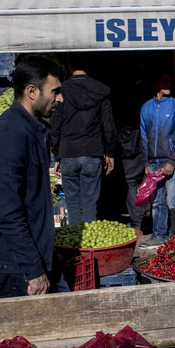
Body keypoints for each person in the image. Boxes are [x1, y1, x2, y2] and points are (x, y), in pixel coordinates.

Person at [0, 55, 64, 298]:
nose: (60, 99)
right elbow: (6, 212)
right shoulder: (11, 135)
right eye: (55, 91)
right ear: (32, 91)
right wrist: (33, 269)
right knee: (22, 335)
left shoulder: (30, 128)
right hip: (13, 264)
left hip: (22, 257)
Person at [50, 54, 117, 225]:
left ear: (70, 67)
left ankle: (76, 246)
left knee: (72, 204)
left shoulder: (61, 91)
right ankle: (88, 246)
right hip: (92, 152)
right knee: (89, 203)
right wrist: (110, 153)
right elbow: (109, 126)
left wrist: (57, 155)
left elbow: (55, 126)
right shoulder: (100, 91)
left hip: (68, 152)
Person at [139, 72, 175, 248]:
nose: (168, 84)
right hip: (153, 161)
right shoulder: (146, 107)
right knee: (157, 201)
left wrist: (172, 161)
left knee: (172, 201)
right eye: (164, 80)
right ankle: (159, 236)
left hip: (171, 161)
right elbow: (143, 136)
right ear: (156, 84)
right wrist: (146, 163)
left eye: (170, 81)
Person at [117, 63, 151, 231]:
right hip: (143, 143)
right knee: (146, 180)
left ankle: (138, 220)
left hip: (128, 145)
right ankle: (146, 216)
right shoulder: (145, 94)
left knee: (132, 183)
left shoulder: (121, 94)